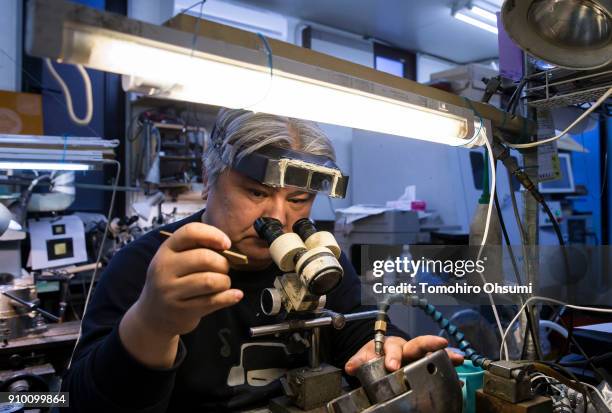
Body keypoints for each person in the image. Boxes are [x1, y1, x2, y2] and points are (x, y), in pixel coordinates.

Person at [62, 109, 463, 412]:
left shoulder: (317, 258)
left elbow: (355, 327)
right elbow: (80, 401)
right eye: (256, 193)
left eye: (298, 199)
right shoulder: (146, 265)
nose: (277, 218)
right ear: (209, 178)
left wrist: (387, 348)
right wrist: (150, 324)